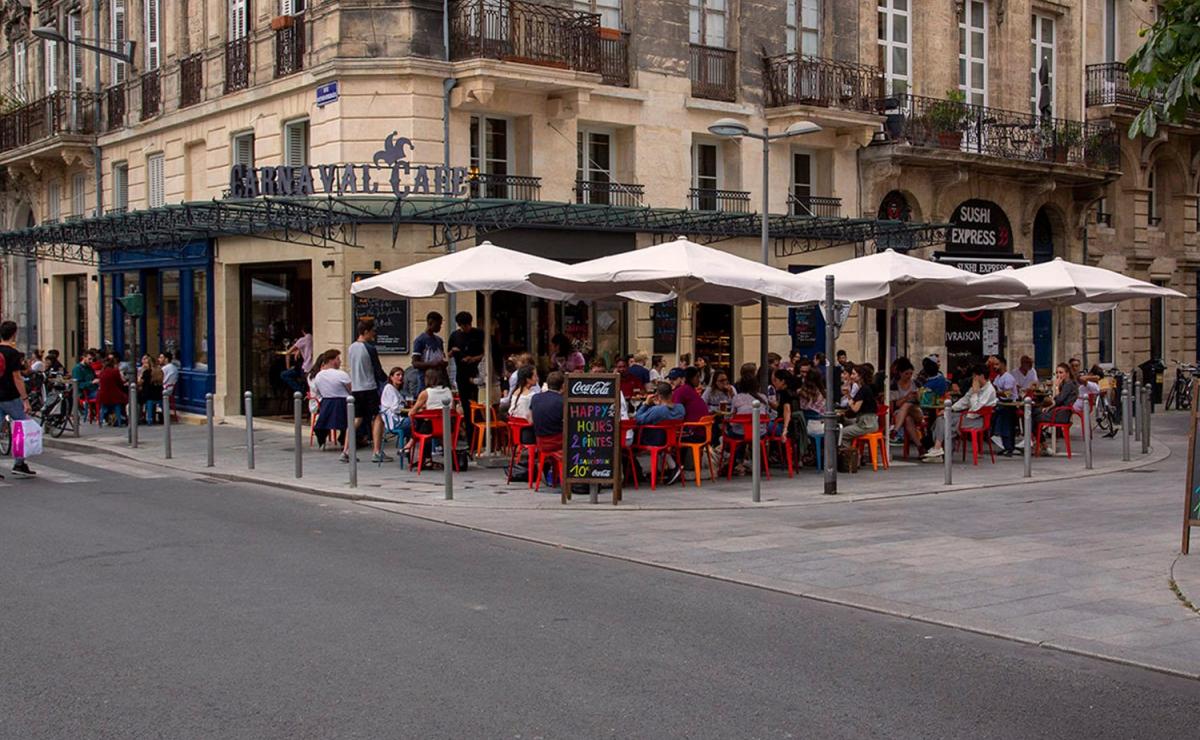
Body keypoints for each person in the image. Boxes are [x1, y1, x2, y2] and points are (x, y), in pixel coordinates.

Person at [923, 365, 997, 460]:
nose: (973, 378)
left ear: (981, 376)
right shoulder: (974, 388)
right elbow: (964, 401)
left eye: (975, 376)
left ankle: (938, 448)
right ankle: (939, 450)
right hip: (968, 417)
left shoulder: (989, 390)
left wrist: (975, 393)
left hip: (978, 420)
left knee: (947, 423)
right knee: (942, 418)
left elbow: (975, 408)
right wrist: (950, 409)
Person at [348, 319, 388, 463]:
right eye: (372, 330)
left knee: (357, 419)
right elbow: (377, 370)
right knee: (378, 417)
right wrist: (388, 381)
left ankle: (346, 450)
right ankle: (377, 452)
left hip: (356, 387)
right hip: (369, 387)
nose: (374, 333)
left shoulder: (351, 347)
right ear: (365, 332)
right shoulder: (370, 348)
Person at [634, 381, 686, 485]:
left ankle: (636, 474)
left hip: (654, 441)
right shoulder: (681, 408)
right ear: (671, 394)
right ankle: (671, 468)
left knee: (630, 443)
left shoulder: (658, 410)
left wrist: (645, 404)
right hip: (671, 440)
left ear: (657, 395)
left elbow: (638, 419)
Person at [0, 321, 34, 477]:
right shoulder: (13, 354)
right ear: (14, 333)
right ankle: (19, 463)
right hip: (10, 396)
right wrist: (25, 399)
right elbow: (17, 378)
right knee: (21, 427)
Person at [448, 311, 485, 448]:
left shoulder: (479, 334)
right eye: (462, 326)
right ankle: (471, 439)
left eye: (466, 326)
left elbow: (485, 353)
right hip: (461, 375)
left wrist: (472, 359)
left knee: (479, 406)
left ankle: (482, 439)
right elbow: (449, 354)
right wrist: (453, 351)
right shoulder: (455, 335)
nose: (464, 328)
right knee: (466, 408)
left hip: (477, 374)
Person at [311, 350, 352, 456]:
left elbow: (317, 390)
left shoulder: (319, 375)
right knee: (347, 423)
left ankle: (322, 441)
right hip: (343, 402)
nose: (340, 361)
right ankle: (344, 440)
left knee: (323, 423)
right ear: (332, 361)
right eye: (338, 359)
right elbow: (350, 389)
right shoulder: (342, 374)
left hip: (327, 402)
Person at [839, 364, 878, 447]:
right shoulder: (864, 389)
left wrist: (849, 399)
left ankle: (849, 456)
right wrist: (848, 394)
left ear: (860, 376)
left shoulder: (864, 389)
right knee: (845, 424)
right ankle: (855, 453)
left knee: (841, 433)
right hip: (867, 422)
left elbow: (855, 408)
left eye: (853, 374)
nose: (851, 376)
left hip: (866, 424)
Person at [890, 357, 924, 451]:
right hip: (900, 413)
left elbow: (922, 401)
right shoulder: (894, 385)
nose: (909, 376)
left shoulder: (916, 384)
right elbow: (895, 404)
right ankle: (920, 446)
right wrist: (906, 397)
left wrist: (917, 396)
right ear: (900, 373)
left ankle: (895, 430)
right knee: (908, 418)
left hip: (916, 411)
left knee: (908, 405)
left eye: (910, 374)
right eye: (906, 374)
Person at [990, 354, 1020, 455]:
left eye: (997, 364)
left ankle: (1009, 447)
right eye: (994, 365)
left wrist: (996, 393)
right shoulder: (998, 377)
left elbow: (1008, 393)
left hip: (1009, 404)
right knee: (1001, 425)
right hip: (1001, 403)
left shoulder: (1008, 378)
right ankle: (1005, 446)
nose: (995, 367)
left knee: (1007, 426)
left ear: (1003, 364)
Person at [530, 371, 565, 455]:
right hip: (558, 443)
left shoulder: (535, 397)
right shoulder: (563, 402)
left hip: (539, 441)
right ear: (563, 386)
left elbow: (531, 419)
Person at [412, 311, 447, 392]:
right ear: (430, 323)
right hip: (425, 380)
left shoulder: (439, 340)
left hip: (439, 379)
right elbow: (415, 363)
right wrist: (432, 364)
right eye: (438, 324)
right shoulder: (420, 340)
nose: (440, 327)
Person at [380, 366, 408, 456]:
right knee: (417, 423)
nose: (400, 377)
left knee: (418, 426)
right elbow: (395, 408)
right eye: (398, 375)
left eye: (402, 375)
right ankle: (406, 449)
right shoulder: (389, 388)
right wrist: (409, 410)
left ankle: (407, 449)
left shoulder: (397, 390)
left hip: (398, 419)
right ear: (391, 377)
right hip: (395, 422)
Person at [95, 354, 128, 428]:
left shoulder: (102, 372)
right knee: (125, 398)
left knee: (106, 406)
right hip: (114, 396)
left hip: (102, 396)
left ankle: (104, 419)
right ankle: (122, 418)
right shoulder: (115, 371)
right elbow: (120, 383)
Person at [281, 327, 313, 394]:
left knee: (284, 374)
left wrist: (288, 367)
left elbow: (288, 352)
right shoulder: (313, 338)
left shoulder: (302, 340)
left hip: (305, 368)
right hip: (310, 366)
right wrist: (299, 350)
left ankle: (300, 391)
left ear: (302, 331)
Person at [138, 355, 164, 425]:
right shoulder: (160, 371)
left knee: (137, 398)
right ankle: (152, 417)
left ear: (148, 364)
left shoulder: (147, 372)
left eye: (146, 363)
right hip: (159, 394)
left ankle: (139, 418)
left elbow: (140, 383)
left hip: (148, 395)